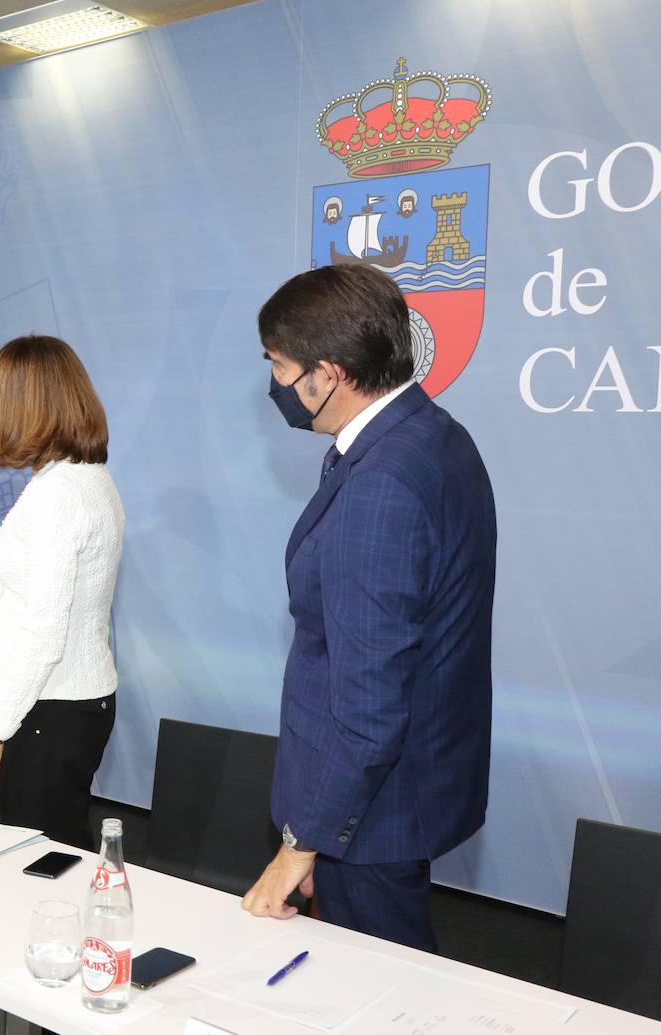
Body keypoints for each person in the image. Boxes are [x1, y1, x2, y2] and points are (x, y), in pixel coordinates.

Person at [242, 263, 497, 952]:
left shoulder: (382, 483)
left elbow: (369, 705)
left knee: (382, 1000)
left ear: (329, 373)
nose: (274, 384)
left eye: (280, 366)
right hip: (399, 793)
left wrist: (303, 842)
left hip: (370, 814)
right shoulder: (431, 435)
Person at [0, 335, 125, 850]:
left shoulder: (58, 494)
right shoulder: (86, 477)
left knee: (38, 864)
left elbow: (44, 631)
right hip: (63, 704)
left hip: (47, 709)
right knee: (55, 853)